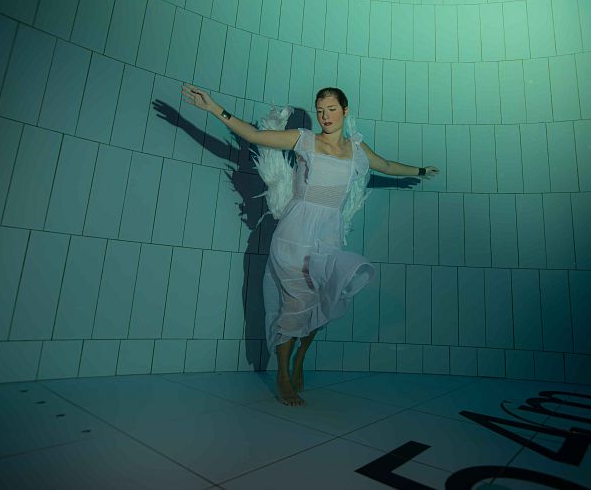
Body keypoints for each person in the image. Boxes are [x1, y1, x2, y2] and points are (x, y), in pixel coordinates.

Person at [181, 84, 439, 406]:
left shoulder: (357, 150)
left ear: (345, 111)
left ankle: (300, 356)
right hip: (294, 235)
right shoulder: (304, 140)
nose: (324, 116)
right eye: (319, 110)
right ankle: (283, 373)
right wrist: (213, 107)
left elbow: (385, 166)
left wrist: (418, 170)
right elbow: (255, 136)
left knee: (322, 300)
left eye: (331, 109)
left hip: (327, 238)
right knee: (295, 302)